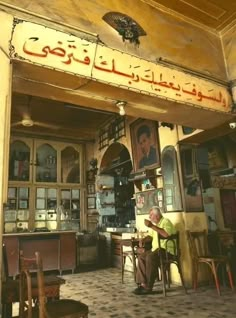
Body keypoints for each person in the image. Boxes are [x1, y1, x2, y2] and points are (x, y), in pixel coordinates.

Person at [134, 206, 176, 295]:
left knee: (150, 257)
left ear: (157, 216)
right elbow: (151, 236)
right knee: (142, 257)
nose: (149, 218)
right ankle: (142, 284)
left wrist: (151, 226)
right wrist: (143, 240)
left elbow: (166, 234)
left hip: (167, 251)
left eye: (151, 215)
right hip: (156, 250)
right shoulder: (156, 225)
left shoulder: (166, 221)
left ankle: (148, 287)